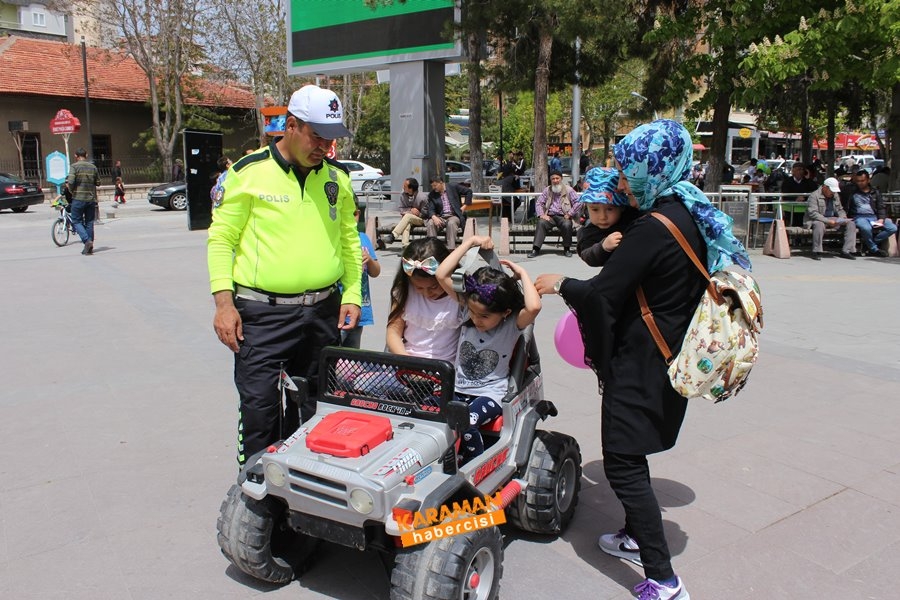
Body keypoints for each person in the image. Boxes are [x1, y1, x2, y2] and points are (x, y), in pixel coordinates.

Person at [535, 119, 751, 600]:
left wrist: (559, 284)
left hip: (642, 361)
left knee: (623, 461)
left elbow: (601, 296)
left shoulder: (653, 228)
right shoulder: (686, 210)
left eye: (630, 174)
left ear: (654, 170)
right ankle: (634, 534)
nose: (624, 184)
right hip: (669, 352)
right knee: (635, 446)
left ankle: (664, 579)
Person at [207, 84, 361, 466]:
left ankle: (307, 488)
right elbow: (221, 240)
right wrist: (224, 304)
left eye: (331, 138)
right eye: (317, 136)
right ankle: (256, 492)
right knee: (261, 410)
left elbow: (348, 239)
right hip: (262, 315)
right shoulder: (247, 173)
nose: (324, 146)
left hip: (322, 312)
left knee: (315, 407)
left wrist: (354, 292)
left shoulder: (336, 178)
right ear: (290, 126)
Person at [435, 235, 541, 463]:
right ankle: (450, 456)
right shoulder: (467, 311)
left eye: (484, 316)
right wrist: (469, 243)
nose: (476, 319)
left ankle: (478, 464)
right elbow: (441, 274)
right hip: (458, 388)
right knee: (431, 413)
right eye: (473, 312)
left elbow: (533, 307)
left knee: (467, 421)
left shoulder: (512, 324)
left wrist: (522, 274)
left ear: (504, 313)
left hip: (489, 394)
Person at [386, 238, 462, 362]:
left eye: (434, 287)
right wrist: (408, 362)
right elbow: (393, 332)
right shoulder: (405, 292)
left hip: (446, 369)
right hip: (409, 364)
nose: (427, 293)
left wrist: (471, 241)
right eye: (419, 287)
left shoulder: (457, 296)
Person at [576, 167, 638, 267]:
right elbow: (587, 255)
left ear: (621, 207)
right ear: (587, 208)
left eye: (610, 209)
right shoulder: (588, 232)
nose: (602, 217)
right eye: (595, 209)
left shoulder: (633, 218)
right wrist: (602, 247)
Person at [341, 209, 381, 348]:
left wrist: (369, 259)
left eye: (355, 214)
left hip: (360, 310)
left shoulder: (363, 238)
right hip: (338, 312)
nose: (352, 218)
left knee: (351, 358)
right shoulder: (333, 239)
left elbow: (376, 272)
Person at [527, 170, 581, 258]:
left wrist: (570, 214)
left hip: (564, 216)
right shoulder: (547, 190)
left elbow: (578, 202)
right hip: (550, 217)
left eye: (557, 178)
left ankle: (567, 248)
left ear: (561, 179)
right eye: (553, 179)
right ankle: (535, 249)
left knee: (567, 224)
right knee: (541, 222)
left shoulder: (569, 190)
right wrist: (541, 214)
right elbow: (539, 203)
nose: (555, 180)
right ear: (550, 180)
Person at [843, 169, 897, 257]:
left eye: (862, 181)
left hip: (874, 217)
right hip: (859, 217)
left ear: (868, 180)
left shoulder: (875, 192)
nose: (860, 183)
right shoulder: (852, 192)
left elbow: (880, 207)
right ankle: (874, 249)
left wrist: (881, 219)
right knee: (866, 228)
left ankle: (871, 243)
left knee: (892, 228)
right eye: (858, 181)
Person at [804, 177, 857, 260]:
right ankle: (817, 251)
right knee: (819, 225)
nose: (833, 192)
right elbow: (813, 213)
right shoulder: (814, 196)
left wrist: (843, 218)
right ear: (825, 187)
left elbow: (840, 209)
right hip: (817, 219)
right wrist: (827, 221)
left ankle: (846, 250)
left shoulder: (835, 195)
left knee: (851, 224)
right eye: (831, 190)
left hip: (832, 218)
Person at [64, 147, 102, 256]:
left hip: (78, 198)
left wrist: (71, 191)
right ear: (86, 155)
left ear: (76, 156)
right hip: (90, 199)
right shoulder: (93, 167)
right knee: (89, 222)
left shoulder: (74, 167)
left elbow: (70, 181)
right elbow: (98, 182)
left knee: (76, 221)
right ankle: (89, 247)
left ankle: (86, 241)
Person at [377, 177, 428, 250]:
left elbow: (426, 214)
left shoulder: (422, 197)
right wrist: (411, 210)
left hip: (421, 219)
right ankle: (405, 247)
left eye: (405, 186)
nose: (403, 187)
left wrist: (418, 213)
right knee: (406, 225)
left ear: (410, 188)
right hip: (408, 219)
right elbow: (401, 209)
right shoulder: (403, 195)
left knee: (407, 217)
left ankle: (393, 236)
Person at [424, 176, 471, 249]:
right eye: (432, 186)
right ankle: (432, 248)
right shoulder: (432, 194)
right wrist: (434, 217)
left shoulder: (453, 186)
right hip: (440, 216)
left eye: (435, 185)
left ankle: (451, 248)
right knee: (430, 223)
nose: (434, 188)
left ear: (441, 183)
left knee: (451, 223)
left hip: (454, 215)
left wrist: (464, 206)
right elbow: (431, 209)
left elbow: (469, 191)